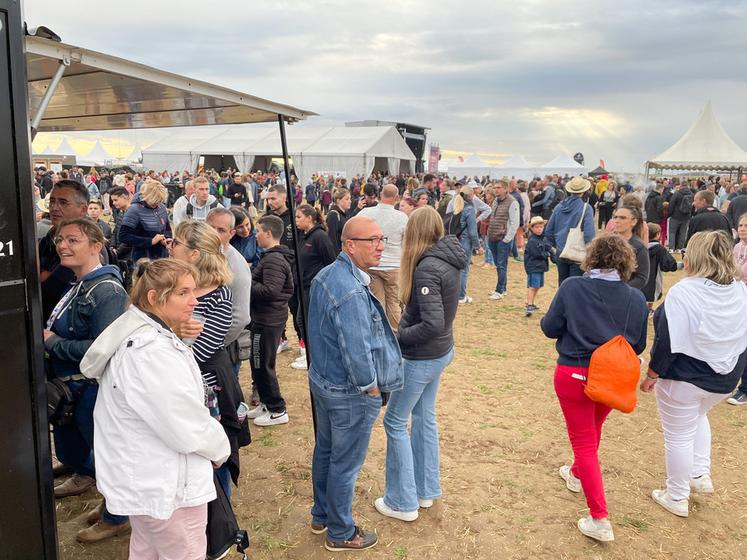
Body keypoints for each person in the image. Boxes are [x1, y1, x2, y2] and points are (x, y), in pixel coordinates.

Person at [80, 258, 230, 559]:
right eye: (183, 293)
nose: (194, 300)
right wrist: (219, 449)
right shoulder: (151, 353)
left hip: (150, 482)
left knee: (147, 549)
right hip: (167, 488)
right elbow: (183, 423)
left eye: (193, 291)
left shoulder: (144, 338)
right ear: (153, 298)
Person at [541, 235, 648, 542]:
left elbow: (550, 328)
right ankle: (576, 474)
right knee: (593, 429)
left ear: (591, 258)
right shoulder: (636, 298)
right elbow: (637, 343)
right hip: (614, 374)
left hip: (575, 371)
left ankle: (600, 517)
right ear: (626, 262)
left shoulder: (573, 287)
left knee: (585, 442)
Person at [307, 216, 404, 552]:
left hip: (326, 382)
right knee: (344, 463)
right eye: (372, 240)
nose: (380, 246)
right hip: (348, 392)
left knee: (327, 452)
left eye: (381, 239)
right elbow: (357, 349)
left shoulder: (329, 276)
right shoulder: (348, 288)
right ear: (349, 245)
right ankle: (340, 531)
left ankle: (322, 515)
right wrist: (371, 387)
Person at [641, 231, 747, 517]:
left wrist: (652, 374)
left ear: (694, 257)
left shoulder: (685, 291)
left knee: (677, 436)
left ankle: (676, 495)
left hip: (686, 378)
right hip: (724, 379)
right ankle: (700, 475)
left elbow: (666, 340)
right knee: (697, 418)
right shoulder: (739, 289)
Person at [375, 206, 465, 522]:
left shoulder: (427, 267)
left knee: (395, 421)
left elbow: (433, 323)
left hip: (424, 356)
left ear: (413, 232)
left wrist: (396, 337)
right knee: (424, 416)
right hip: (438, 352)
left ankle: (402, 501)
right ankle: (425, 490)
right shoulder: (446, 259)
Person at [43, 218, 129, 542]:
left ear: (96, 246)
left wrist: (53, 343)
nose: (62, 246)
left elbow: (103, 347)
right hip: (71, 386)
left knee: (106, 457)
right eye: (60, 240)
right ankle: (111, 499)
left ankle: (118, 515)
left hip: (89, 388)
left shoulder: (106, 290)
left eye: (72, 240)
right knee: (71, 451)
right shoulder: (79, 282)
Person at [169, 220, 249, 497]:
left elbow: (201, 352)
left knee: (215, 459)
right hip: (175, 386)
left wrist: (166, 345)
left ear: (193, 254)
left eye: (176, 242)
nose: (170, 246)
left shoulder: (218, 296)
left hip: (207, 391)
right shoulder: (174, 286)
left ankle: (220, 521)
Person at [247, 215, 294, 425]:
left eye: (258, 231)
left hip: (268, 319)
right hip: (265, 317)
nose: (255, 235)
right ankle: (266, 403)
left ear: (268, 233)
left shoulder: (274, 259)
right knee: (258, 363)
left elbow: (271, 290)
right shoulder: (270, 257)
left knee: (263, 364)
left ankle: (277, 409)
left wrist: (247, 283)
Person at [206, 208, 253, 376]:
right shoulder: (203, 255)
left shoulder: (236, 266)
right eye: (210, 227)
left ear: (231, 233)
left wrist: (211, 344)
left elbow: (240, 318)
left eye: (221, 230)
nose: (214, 233)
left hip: (222, 350)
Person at [291, 204, 337, 370]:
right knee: (302, 321)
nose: (296, 220)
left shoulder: (319, 237)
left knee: (306, 322)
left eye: (298, 217)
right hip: (303, 286)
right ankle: (310, 354)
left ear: (309, 218)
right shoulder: (304, 236)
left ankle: (312, 355)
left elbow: (331, 262)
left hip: (314, 287)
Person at [39, 180, 92, 321]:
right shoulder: (48, 239)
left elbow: (50, 291)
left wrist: (44, 275)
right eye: (52, 201)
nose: (54, 208)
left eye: (63, 202)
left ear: (83, 210)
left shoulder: (88, 245)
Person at [359, 184, 409, 326]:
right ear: (397, 198)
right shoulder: (402, 217)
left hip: (373, 265)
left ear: (380, 195)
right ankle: (395, 335)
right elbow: (406, 243)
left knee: (378, 304)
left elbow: (351, 227)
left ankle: (380, 333)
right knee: (394, 304)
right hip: (394, 266)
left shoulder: (366, 213)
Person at [545, 176, 596, 285]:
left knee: (563, 286)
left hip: (561, 251)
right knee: (576, 288)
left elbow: (549, 230)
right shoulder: (586, 208)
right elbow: (589, 235)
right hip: (578, 253)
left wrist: (557, 245)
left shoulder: (559, 207)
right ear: (585, 191)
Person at [118, 180, 172, 262]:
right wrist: (150, 241)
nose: (157, 204)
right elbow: (123, 236)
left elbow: (167, 229)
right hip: (142, 260)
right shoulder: (134, 210)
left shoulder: (161, 207)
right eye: (155, 201)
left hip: (162, 258)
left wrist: (166, 240)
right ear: (146, 197)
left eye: (160, 201)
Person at [487, 180, 519, 300]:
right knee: (499, 264)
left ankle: (499, 290)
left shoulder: (512, 202)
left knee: (501, 265)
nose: (496, 190)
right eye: (495, 187)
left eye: (499, 188)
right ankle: (503, 288)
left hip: (502, 239)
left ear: (505, 189)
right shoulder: (495, 201)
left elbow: (514, 223)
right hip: (493, 237)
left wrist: (506, 239)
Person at [727, 212, 747, 405]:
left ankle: (745, 388)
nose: (742, 229)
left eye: (746, 226)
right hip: (737, 299)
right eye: (740, 225)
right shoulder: (738, 247)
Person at [447, 185, 479, 304]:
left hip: (454, 240)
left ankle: (453, 294)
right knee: (463, 269)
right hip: (465, 242)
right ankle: (461, 296)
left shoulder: (455, 204)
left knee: (454, 269)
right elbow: (472, 231)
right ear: (470, 195)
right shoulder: (469, 209)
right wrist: (477, 246)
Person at [642, 223, 681, 312]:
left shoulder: (639, 246)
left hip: (640, 276)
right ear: (657, 234)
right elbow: (669, 265)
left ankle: (646, 308)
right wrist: (682, 265)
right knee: (652, 293)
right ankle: (648, 309)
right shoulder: (659, 249)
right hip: (653, 278)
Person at [610, 205, 650, 290]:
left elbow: (641, 278)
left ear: (633, 221)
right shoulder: (606, 242)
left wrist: (621, 289)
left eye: (622, 218)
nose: (617, 221)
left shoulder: (638, 247)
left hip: (623, 294)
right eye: (615, 217)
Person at [523, 216, 554, 317]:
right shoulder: (532, 241)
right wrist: (548, 254)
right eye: (536, 227)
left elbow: (548, 247)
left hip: (540, 266)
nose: (539, 229)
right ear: (532, 228)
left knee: (538, 286)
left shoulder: (543, 238)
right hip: (533, 267)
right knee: (533, 286)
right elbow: (537, 254)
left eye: (541, 227)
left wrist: (552, 252)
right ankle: (529, 305)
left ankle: (530, 302)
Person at [667, 182, 695, 251]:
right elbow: (693, 206)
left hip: (675, 216)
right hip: (686, 217)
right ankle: (680, 248)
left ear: (681, 186)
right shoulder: (691, 194)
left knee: (672, 232)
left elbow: (671, 205)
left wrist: (669, 214)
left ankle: (671, 248)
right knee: (683, 233)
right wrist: (691, 214)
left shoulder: (676, 194)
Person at [326, 187, 352, 254]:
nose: (350, 201)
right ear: (338, 200)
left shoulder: (345, 213)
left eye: (350, 198)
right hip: (338, 254)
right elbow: (332, 239)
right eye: (347, 199)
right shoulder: (333, 215)